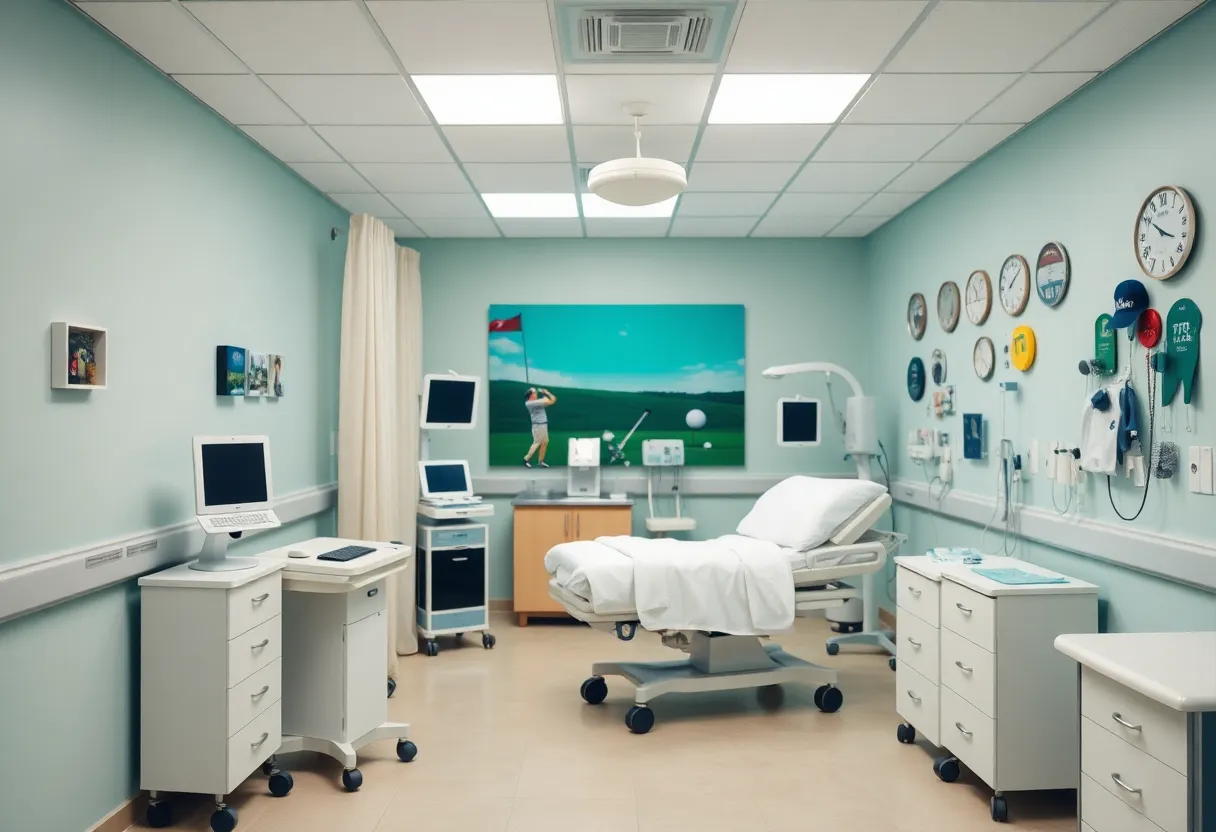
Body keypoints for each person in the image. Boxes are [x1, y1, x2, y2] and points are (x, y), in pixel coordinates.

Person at [523, 387, 556, 468]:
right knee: (537, 442)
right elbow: (547, 400)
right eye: (534, 393)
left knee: (545, 442)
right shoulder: (529, 403)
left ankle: (541, 461)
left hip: (543, 425)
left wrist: (547, 393)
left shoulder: (537, 402)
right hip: (538, 426)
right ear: (531, 395)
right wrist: (545, 395)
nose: (536, 394)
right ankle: (526, 459)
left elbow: (553, 400)